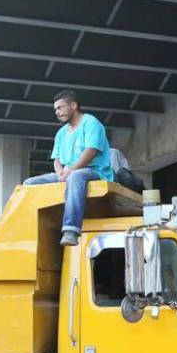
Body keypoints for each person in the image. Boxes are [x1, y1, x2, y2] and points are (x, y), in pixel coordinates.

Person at [23, 90, 114, 246]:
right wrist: (60, 172)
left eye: (60, 107)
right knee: (29, 184)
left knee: (75, 176)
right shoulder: (61, 133)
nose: (57, 112)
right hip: (66, 173)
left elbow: (90, 151)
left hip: (94, 171)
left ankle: (71, 229)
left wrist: (70, 171)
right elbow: (57, 159)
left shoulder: (91, 123)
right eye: (55, 110)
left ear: (73, 105)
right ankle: (29, 229)